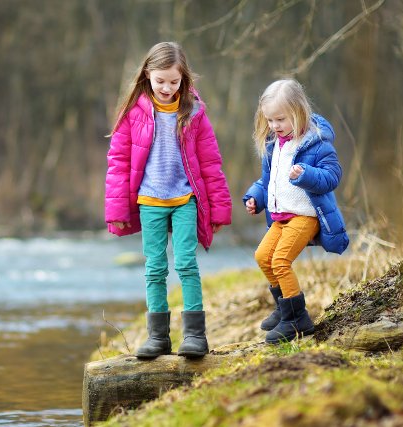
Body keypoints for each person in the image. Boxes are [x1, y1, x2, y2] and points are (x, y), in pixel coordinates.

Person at [104, 42, 232, 358]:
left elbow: (210, 162)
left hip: (185, 198)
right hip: (149, 201)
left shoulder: (195, 112)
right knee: (155, 268)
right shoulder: (133, 112)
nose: (166, 87)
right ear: (147, 74)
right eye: (160, 81)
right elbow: (118, 161)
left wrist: (218, 207)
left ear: (183, 79)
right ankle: (158, 337)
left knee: (187, 263)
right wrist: (117, 209)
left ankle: (195, 336)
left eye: (173, 82)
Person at [243, 79, 349, 344]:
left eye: (280, 119)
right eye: (269, 120)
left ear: (299, 112)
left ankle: (297, 318)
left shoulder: (316, 143)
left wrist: (306, 174)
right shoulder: (273, 144)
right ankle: (284, 309)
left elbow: (332, 176)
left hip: (305, 216)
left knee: (280, 260)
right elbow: (267, 181)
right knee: (263, 256)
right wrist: (255, 197)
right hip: (280, 217)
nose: (274, 126)